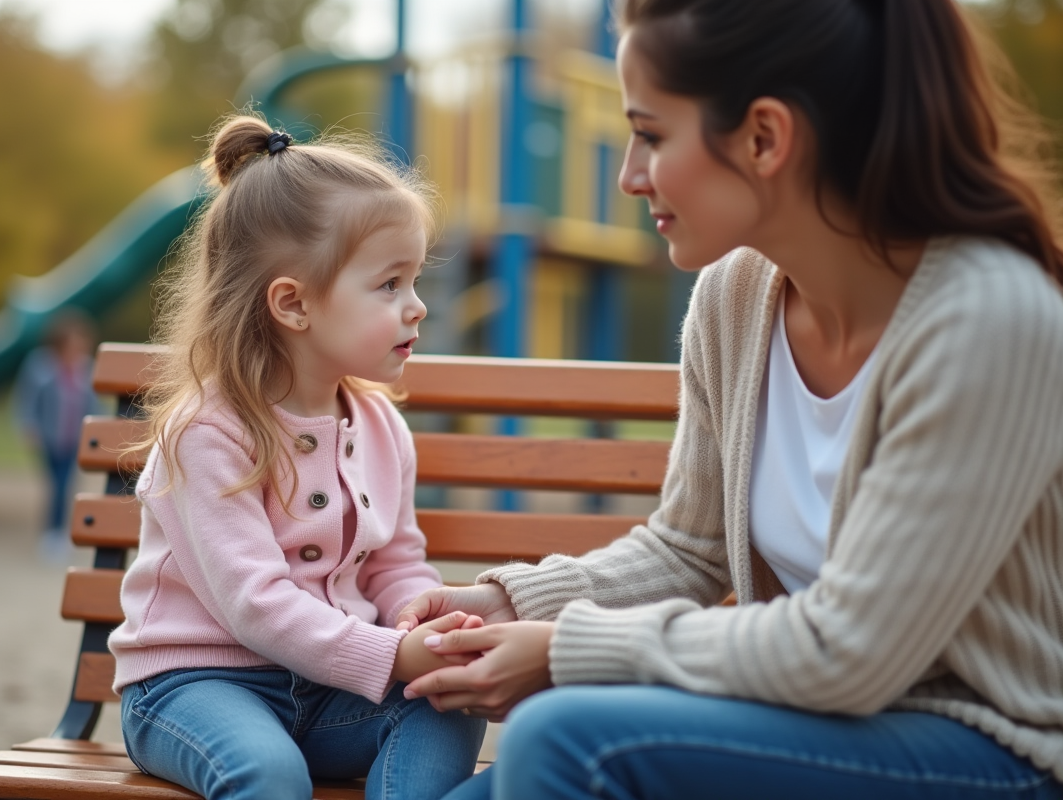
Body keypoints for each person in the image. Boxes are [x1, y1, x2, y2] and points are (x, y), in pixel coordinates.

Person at [394, 1, 1063, 798]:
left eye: (650, 134)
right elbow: (689, 549)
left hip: (992, 751)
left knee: (564, 742)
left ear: (765, 138)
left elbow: (852, 651)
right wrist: (505, 603)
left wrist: (567, 650)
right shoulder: (736, 294)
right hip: (803, 726)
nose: (630, 175)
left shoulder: (991, 318)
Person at [106, 114, 487, 800]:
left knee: (446, 701)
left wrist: (419, 623)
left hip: (326, 691)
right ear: (294, 304)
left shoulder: (380, 426)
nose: (417, 307)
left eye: (414, 282)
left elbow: (395, 562)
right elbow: (256, 604)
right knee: (269, 772)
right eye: (390, 284)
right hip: (195, 685)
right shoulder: (210, 432)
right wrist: (392, 653)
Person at [14, 307, 102, 560]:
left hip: (75, 438)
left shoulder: (85, 368)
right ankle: (53, 532)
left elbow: (92, 404)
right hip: (50, 437)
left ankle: (58, 531)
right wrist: (28, 426)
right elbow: (27, 400)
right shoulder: (40, 365)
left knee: (65, 484)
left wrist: (98, 427)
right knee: (57, 485)